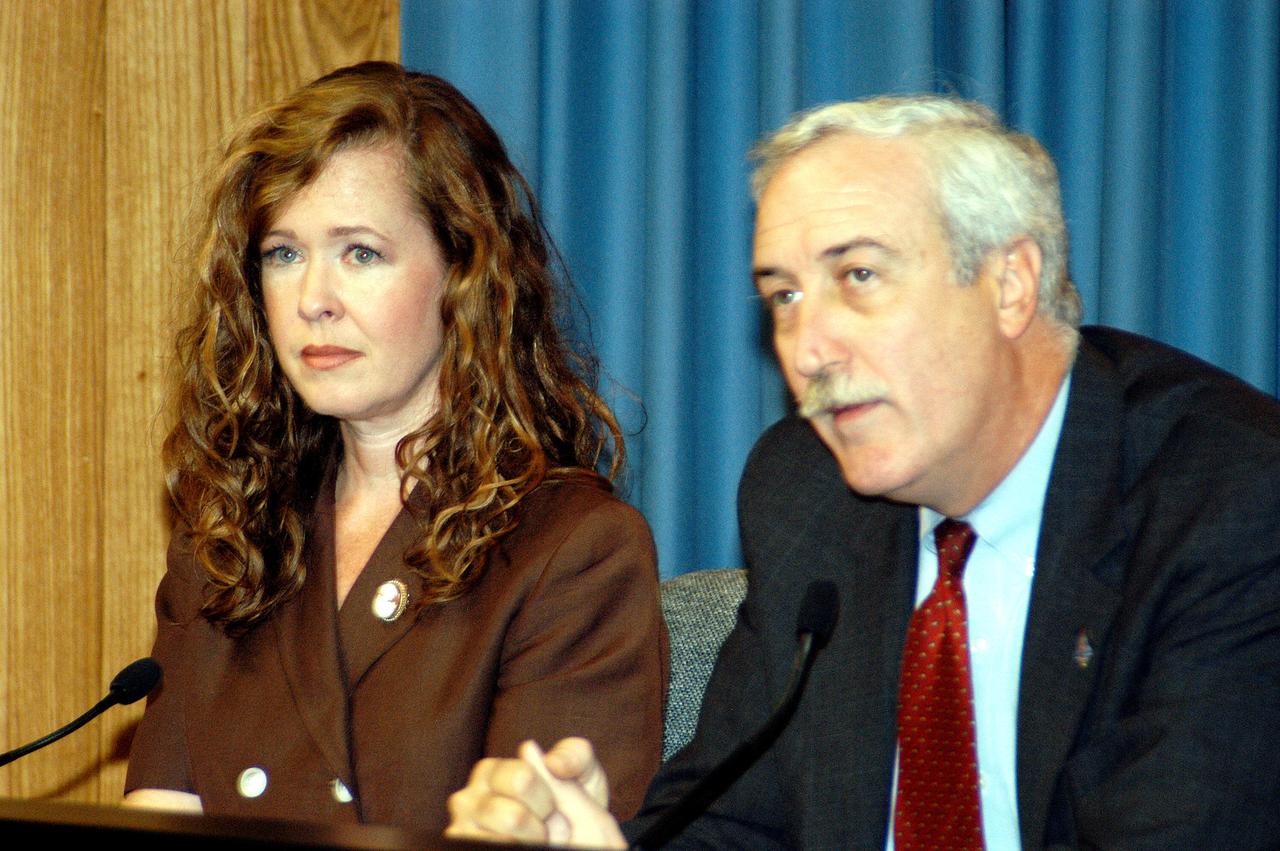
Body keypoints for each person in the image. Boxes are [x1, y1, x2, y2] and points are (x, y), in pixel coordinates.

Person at [445, 95, 1280, 849]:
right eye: (783, 296)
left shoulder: (1228, 498)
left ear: (1009, 282)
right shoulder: (806, 491)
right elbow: (733, 821)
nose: (807, 350)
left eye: (858, 276)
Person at [123, 61, 666, 835]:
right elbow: (161, 810)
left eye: (360, 253)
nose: (313, 298)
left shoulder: (574, 552)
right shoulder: (225, 542)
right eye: (283, 253)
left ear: (464, 276)